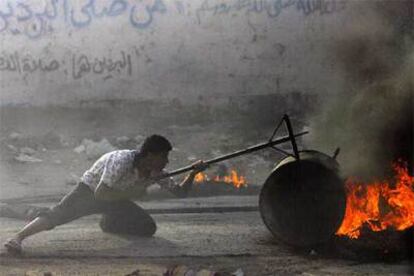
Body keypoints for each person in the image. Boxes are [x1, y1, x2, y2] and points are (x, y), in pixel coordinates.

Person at [4, 134, 207, 254]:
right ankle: (18, 238)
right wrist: (136, 190)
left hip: (115, 199)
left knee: (147, 227)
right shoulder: (121, 161)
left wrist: (193, 174)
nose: (167, 161)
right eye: (164, 156)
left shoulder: (156, 173)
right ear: (150, 155)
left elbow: (181, 193)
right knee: (57, 215)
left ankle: (107, 222)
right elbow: (101, 194)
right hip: (90, 192)